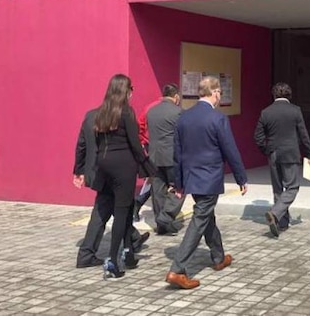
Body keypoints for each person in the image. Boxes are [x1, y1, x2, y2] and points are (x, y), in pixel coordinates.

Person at [165, 76, 248, 290]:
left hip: (192, 178)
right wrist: (241, 178)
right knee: (200, 218)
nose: (220, 96)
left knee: (206, 215)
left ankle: (218, 257)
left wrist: (178, 182)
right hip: (210, 177)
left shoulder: (183, 118)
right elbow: (230, 149)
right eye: (219, 92)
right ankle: (178, 269)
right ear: (214, 92)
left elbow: (178, 153)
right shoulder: (218, 118)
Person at [92, 74, 154, 278]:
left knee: (126, 209)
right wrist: (148, 167)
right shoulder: (126, 112)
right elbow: (136, 145)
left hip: (104, 165)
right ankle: (113, 260)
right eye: (131, 88)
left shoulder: (102, 112)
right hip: (123, 166)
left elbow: (97, 142)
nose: (132, 93)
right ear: (124, 90)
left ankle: (128, 252)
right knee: (121, 212)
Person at [73, 107, 149, 269]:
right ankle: (88, 252)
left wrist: (78, 170)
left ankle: (132, 238)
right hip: (116, 170)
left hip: (97, 170)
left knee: (110, 207)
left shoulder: (91, 115)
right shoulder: (120, 116)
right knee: (107, 209)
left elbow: (81, 144)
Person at [254, 82, 310, 237]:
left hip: (273, 153)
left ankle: (281, 223)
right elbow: (303, 134)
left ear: (273, 95)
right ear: (289, 95)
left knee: (277, 189)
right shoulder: (295, 111)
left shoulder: (266, 112)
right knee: (292, 187)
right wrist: (309, 153)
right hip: (290, 153)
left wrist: (267, 150)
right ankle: (275, 213)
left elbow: (258, 137)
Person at [146, 83, 185, 235]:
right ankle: (166, 217)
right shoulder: (178, 112)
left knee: (157, 191)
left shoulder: (151, 112)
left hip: (154, 156)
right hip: (172, 156)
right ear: (176, 96)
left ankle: (162, 224)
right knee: (179, 188)